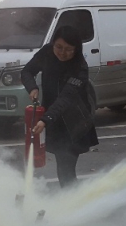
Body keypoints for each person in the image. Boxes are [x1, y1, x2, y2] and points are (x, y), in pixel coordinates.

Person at [21, 26, 99, 188]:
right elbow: (27, 71)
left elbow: (66, 98)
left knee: (66, 167)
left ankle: (72, 199)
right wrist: (32, 88)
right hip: (53, 119)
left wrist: (45, 120)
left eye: (69, 49)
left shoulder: (80, 68)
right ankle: (70, 197)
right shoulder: (47, 53)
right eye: (59, 47)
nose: (62, 53)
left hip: (74, 124)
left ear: (76, 49)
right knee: (62, 167)